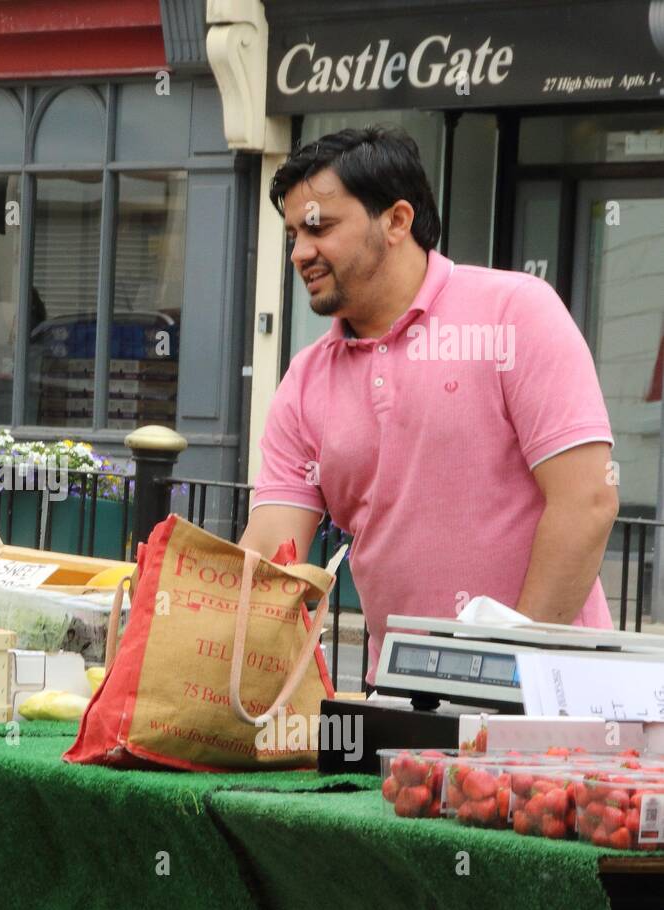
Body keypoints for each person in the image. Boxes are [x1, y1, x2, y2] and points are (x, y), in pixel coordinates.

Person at [239, 126, 618, 685]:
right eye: (293, 233)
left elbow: (586, 501)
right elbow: (274, 551)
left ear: (396, 220)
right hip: (397, 703)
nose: (300, 253)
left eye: (319, 226)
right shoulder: (305, 379)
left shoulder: (514, 312)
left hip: (552, 700)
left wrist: (507, 676)